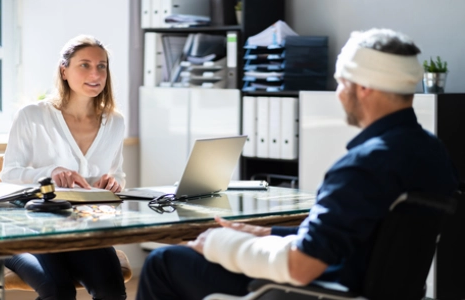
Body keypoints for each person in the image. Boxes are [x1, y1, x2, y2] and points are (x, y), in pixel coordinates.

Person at [135, 28, 459, 300]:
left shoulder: (363, 165)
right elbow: (349, 234)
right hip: (362, 286)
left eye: (341, 82)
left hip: (324, 291)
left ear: (364, 87)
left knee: (163, 261)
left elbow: (304, 265)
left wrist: (222, 244)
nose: (338, 93)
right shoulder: (433, 154)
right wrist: (261, 233)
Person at [0, 35, 127, 300]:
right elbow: (9, 174)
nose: (95, 73)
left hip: (83, 229)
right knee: (58, 291)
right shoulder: (32, 116)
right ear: (64, 69)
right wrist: (50, 174)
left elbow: (117, 175)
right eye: (85, 65)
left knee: (111, 290)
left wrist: (114, 183)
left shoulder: (114, 121)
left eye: (101, 65)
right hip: (28, 230)